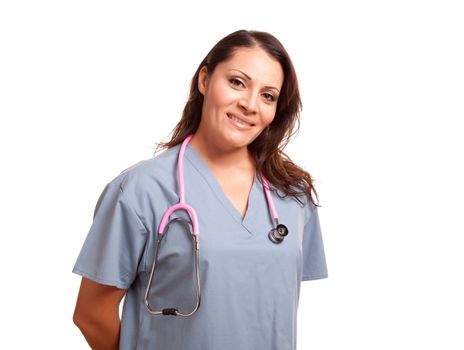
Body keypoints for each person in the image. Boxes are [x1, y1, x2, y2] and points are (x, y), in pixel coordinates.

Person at [72, 29, 328, 350]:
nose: (250, 104)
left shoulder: (293, 194)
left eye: (268, 95)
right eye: (237, 82)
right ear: (204, 80)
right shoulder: (140, 190)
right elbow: (92, 314)